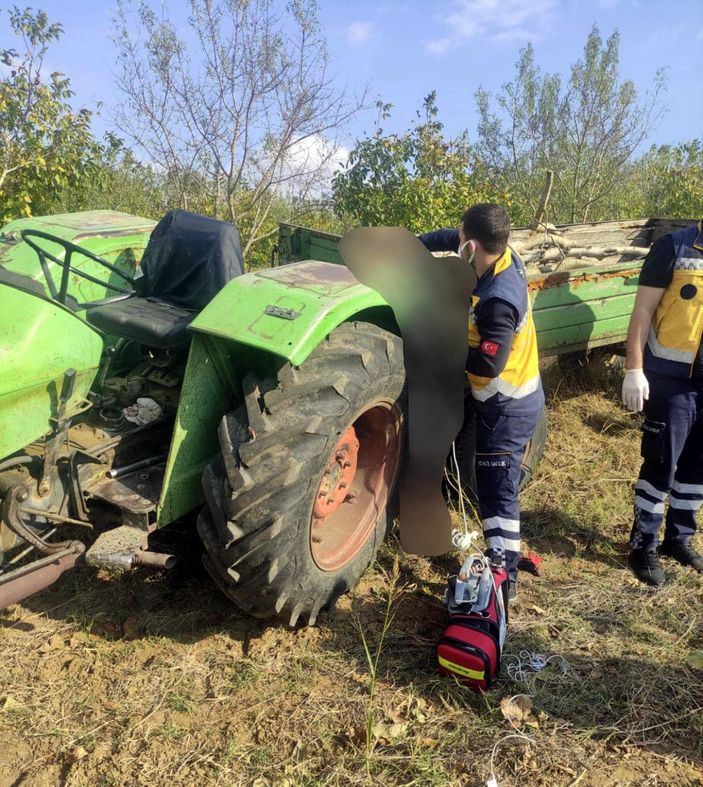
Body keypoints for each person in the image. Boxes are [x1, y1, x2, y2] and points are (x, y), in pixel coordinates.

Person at [419, 203, 544, 597]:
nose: (456, 244)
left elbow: (489, 362)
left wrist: (445, 349)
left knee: (496, 489)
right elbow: (448, 238)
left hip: (507, 405)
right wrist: (415, 245)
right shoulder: (501, 253)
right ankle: (499, 562)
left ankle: (503, 575)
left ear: (472, 247)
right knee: (474, 468)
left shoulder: (497, 298)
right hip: (490, 398)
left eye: (460, 241)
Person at [622, 219, 703, 586]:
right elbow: (642, 313)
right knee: (660, 466)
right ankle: (643, 544)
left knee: (696, 469)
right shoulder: (674, 248)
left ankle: (679, 538)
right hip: (672, 382)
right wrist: (634, 369)